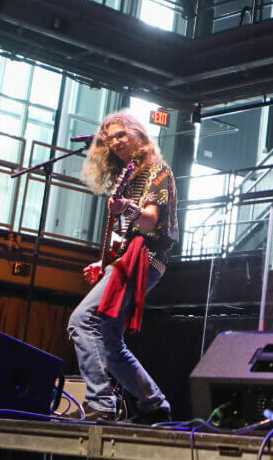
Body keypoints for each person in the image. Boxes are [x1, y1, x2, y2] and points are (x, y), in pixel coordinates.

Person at [67, 111, 178, 423]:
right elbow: (128, 235)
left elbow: (151, 220)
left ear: (137, 136)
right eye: (110, 138)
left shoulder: (157, 169)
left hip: (145, 259)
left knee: (82, 320)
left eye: (120, 135)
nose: (115, 142)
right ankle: (153, 404)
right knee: (109, 338)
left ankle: (101, 403)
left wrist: (127, 206)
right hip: (131, 256)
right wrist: (102, 262)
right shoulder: (131, 174)